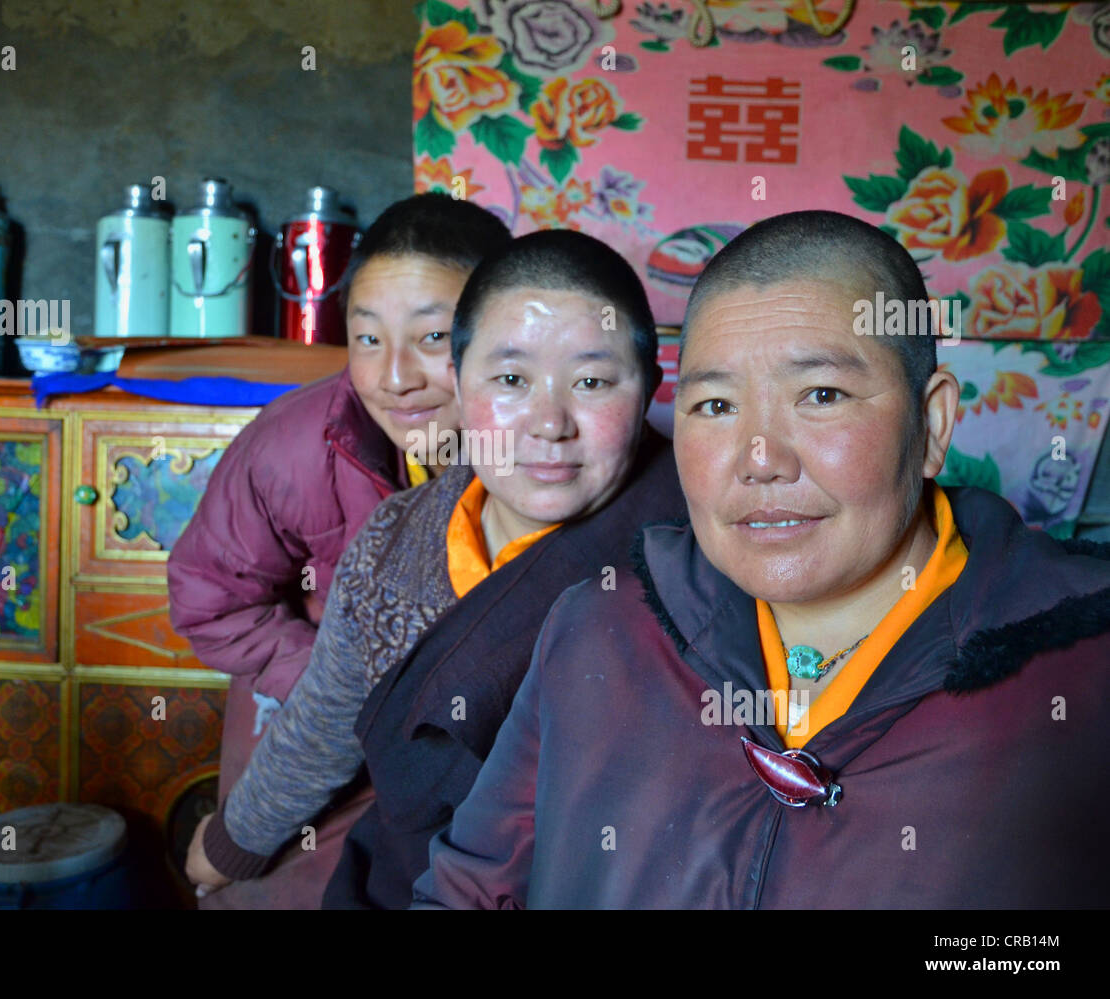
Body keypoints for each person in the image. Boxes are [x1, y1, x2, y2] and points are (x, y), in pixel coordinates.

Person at [413, 209, 1110, 909]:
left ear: (931, 424)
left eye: (822, 395)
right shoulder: (601, 625)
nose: (760, 460)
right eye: (715, 404)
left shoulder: (1081, 663)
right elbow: (465, 892)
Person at [185, 230, 684, 907]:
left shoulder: (695, 552)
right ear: (459, 376)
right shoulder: (397, 539)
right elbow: (328, 718)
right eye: (510, 379)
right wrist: (233, 842)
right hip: (401, 879)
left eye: (593, 381)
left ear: (650, 385)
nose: (549, 422)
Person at [168, 192, 510, 908]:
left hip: (463, 720)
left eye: (432, 337)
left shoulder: (537, 452)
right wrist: (348, 685)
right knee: (272, 886)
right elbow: (208, 600)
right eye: (367, 338)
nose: (394, 377)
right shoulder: (294, 446)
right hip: (308, 694)